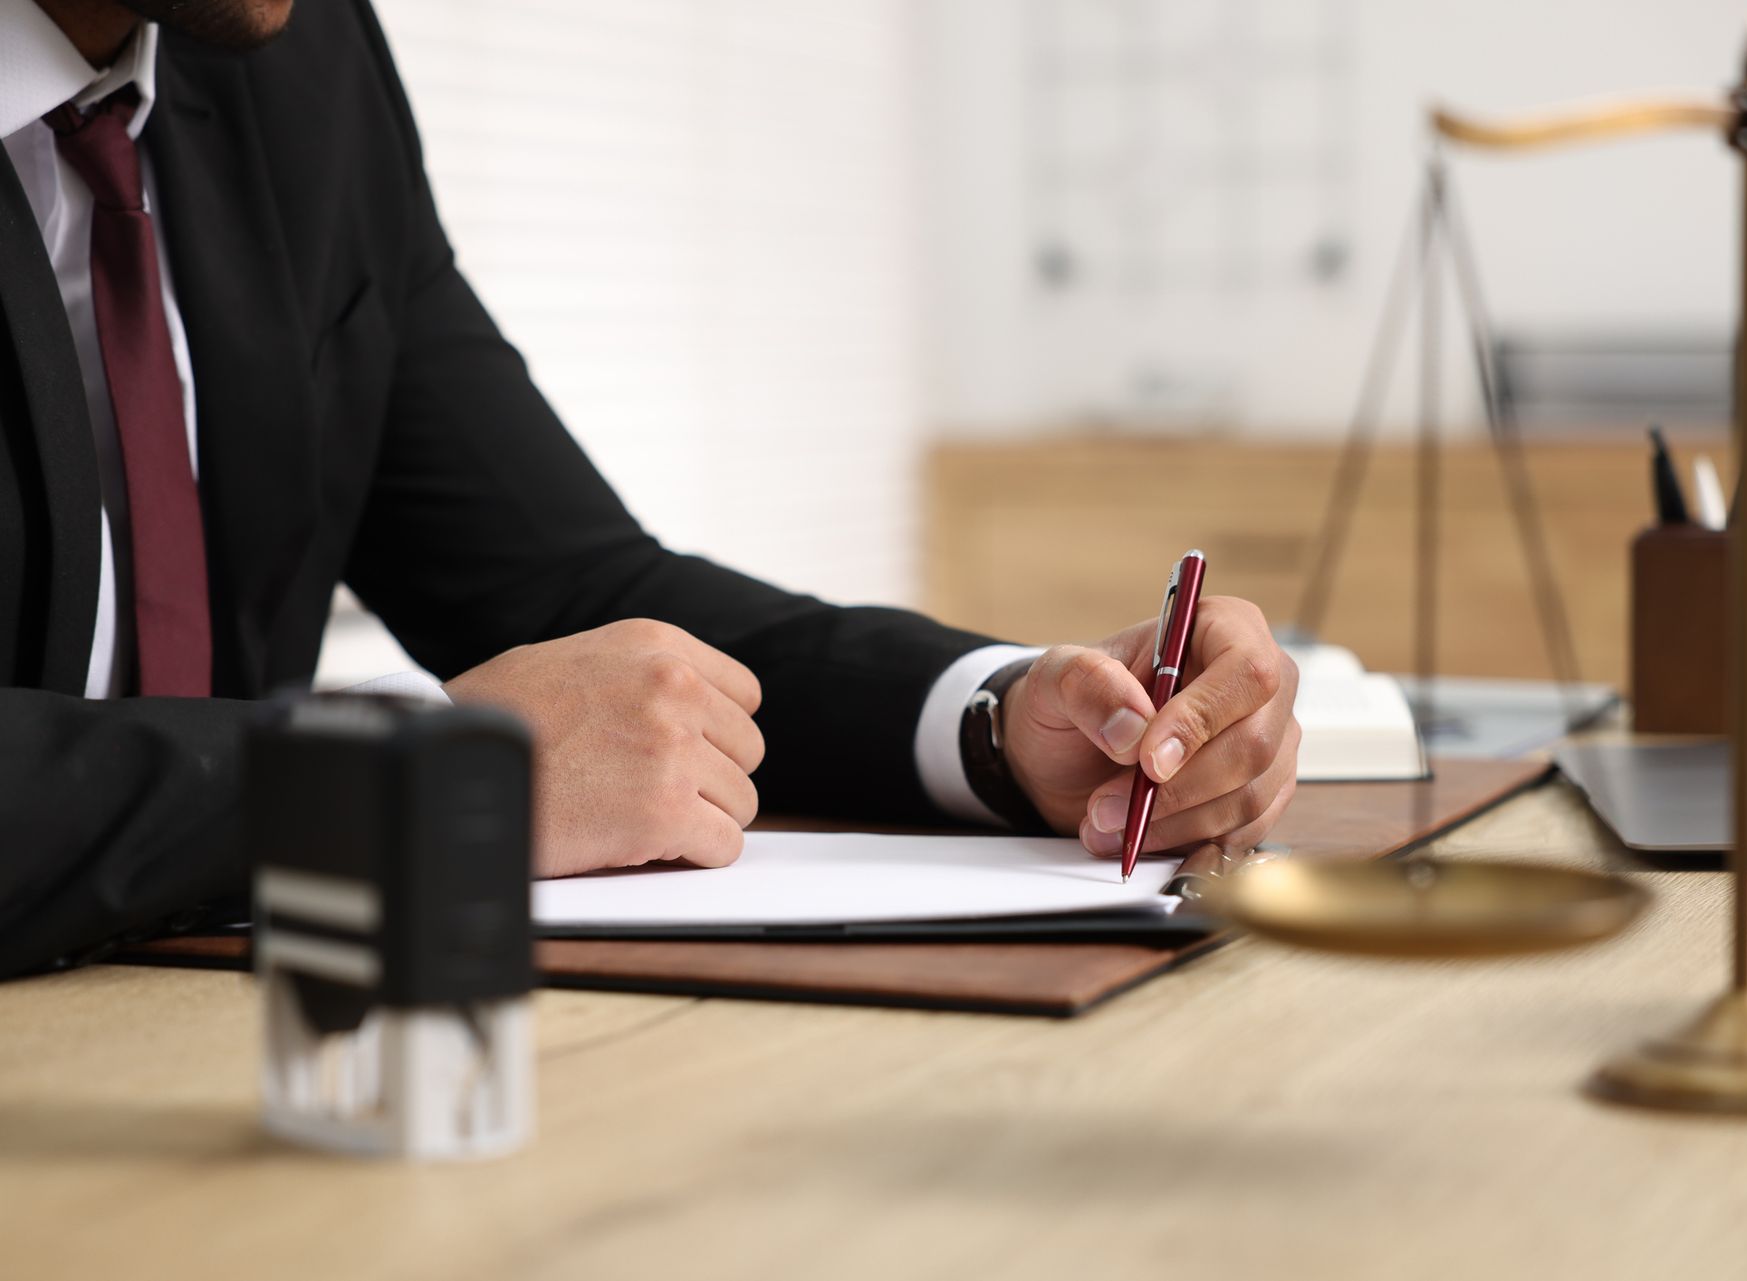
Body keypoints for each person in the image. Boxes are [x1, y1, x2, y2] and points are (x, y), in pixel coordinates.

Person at [0, 0, 1300, 977]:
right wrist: (389, 783)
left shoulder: (299, 65)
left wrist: (1005, 727)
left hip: (219, 1036)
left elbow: (566, 590)